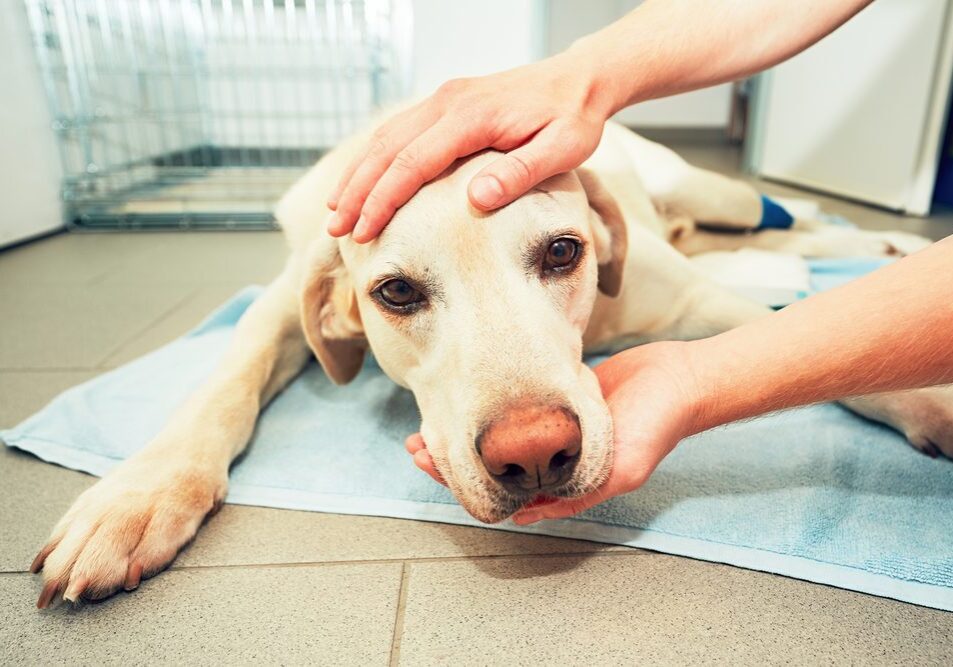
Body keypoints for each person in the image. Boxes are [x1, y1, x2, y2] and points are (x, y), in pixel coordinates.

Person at [331, 0, 953, 522]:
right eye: (402, 294)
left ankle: (795, 221)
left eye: (557, 255)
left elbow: (711, 305)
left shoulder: (598, 204)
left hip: (641, 183)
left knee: (719, 201)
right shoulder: (337, 238)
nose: (531, 442)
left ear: (605, 240)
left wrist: (894, 392)